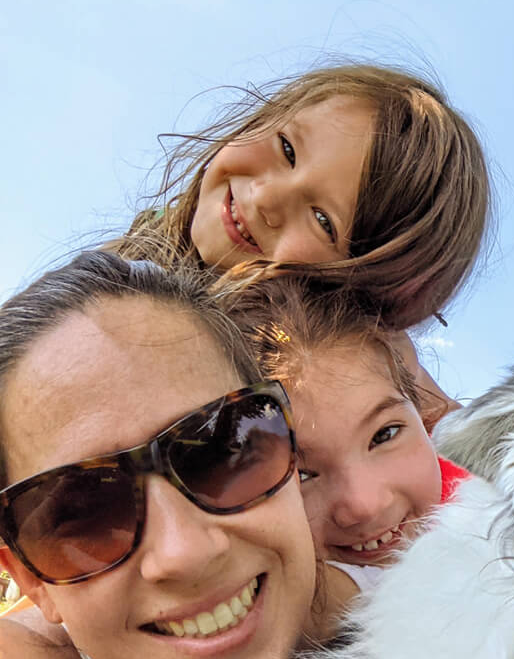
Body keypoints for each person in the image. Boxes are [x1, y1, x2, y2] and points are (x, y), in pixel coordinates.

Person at [0, 252, 371, 659]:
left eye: (223, 449)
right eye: (84, 511)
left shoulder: (432, 623)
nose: (185, 553)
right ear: (32, 583)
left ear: (290, 450)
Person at [111, 62, 492, 420]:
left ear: (364, 289)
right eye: (287, 149)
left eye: (323, 220)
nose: (264, 199)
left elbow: (460, 438)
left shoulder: (355, 377)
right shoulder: (113, 272)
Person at [223, 278, 469, 565]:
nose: (363, 505)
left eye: (384, 435)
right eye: (300, 475)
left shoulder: (497, 503)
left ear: (421, 412)